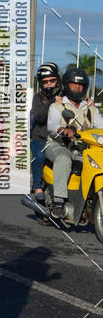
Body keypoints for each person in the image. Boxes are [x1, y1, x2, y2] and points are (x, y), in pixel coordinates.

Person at [45, 67, 103, 219]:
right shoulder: (58, 106)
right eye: (73, 84)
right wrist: (62, 129)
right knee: (64, 158)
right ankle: (58, 201)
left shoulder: (91, 109)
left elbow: (101, 126)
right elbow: (52, 126)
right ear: (66, 85)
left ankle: (87, 199)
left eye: (81, 85)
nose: (78, 87)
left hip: (82, 148)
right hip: (58, 145)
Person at [30, 63, 62, 203]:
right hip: (40, 138)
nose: (49, 84)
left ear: (58, 80)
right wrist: (51, 102)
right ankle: (37, 187)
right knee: (39, 156)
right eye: (45, 82)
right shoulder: (38, 98)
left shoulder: (64, 96)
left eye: (52, 80)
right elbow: (40, 117)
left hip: (59, 140)